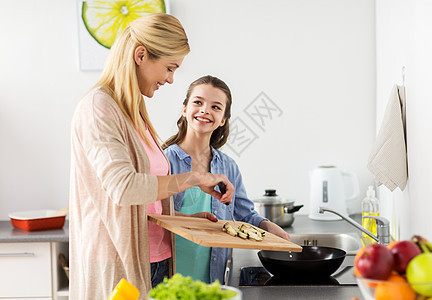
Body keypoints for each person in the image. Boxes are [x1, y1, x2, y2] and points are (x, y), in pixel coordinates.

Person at [69, 15, 234, 300]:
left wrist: (185, 220)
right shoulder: (98, 108)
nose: (170, 79)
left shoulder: (134, 113)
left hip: (155, 260)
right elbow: (125, 188)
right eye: (170, 68)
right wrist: (194, 178)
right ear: (141, 55)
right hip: (116, 260)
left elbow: (144, 203)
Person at [162, 75, 290, 284]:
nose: (205, 110)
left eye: (215, 107)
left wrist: (267, 226)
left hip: (213, 280)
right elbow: (150, 215)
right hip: (169, 277)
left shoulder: (228, 167)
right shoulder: (165, 161)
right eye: (198, 102)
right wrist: (187, 220)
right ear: (184, 109)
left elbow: (243, 215)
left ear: (223, 119)